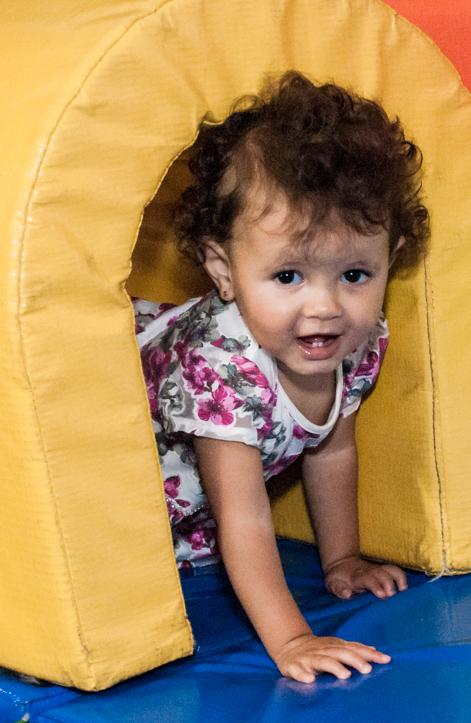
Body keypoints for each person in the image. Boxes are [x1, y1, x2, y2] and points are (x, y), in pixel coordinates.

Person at [134, 71, 429, 683]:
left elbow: (331, 451)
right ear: (224, 269)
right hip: (124, 481)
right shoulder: (220, 371)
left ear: (389, 258)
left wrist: (341, 558)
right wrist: (293, 639)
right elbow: (242, 517)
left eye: (353, 275)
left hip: (194, 509)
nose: (323, 306)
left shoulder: (356, 340)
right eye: (288, 276)